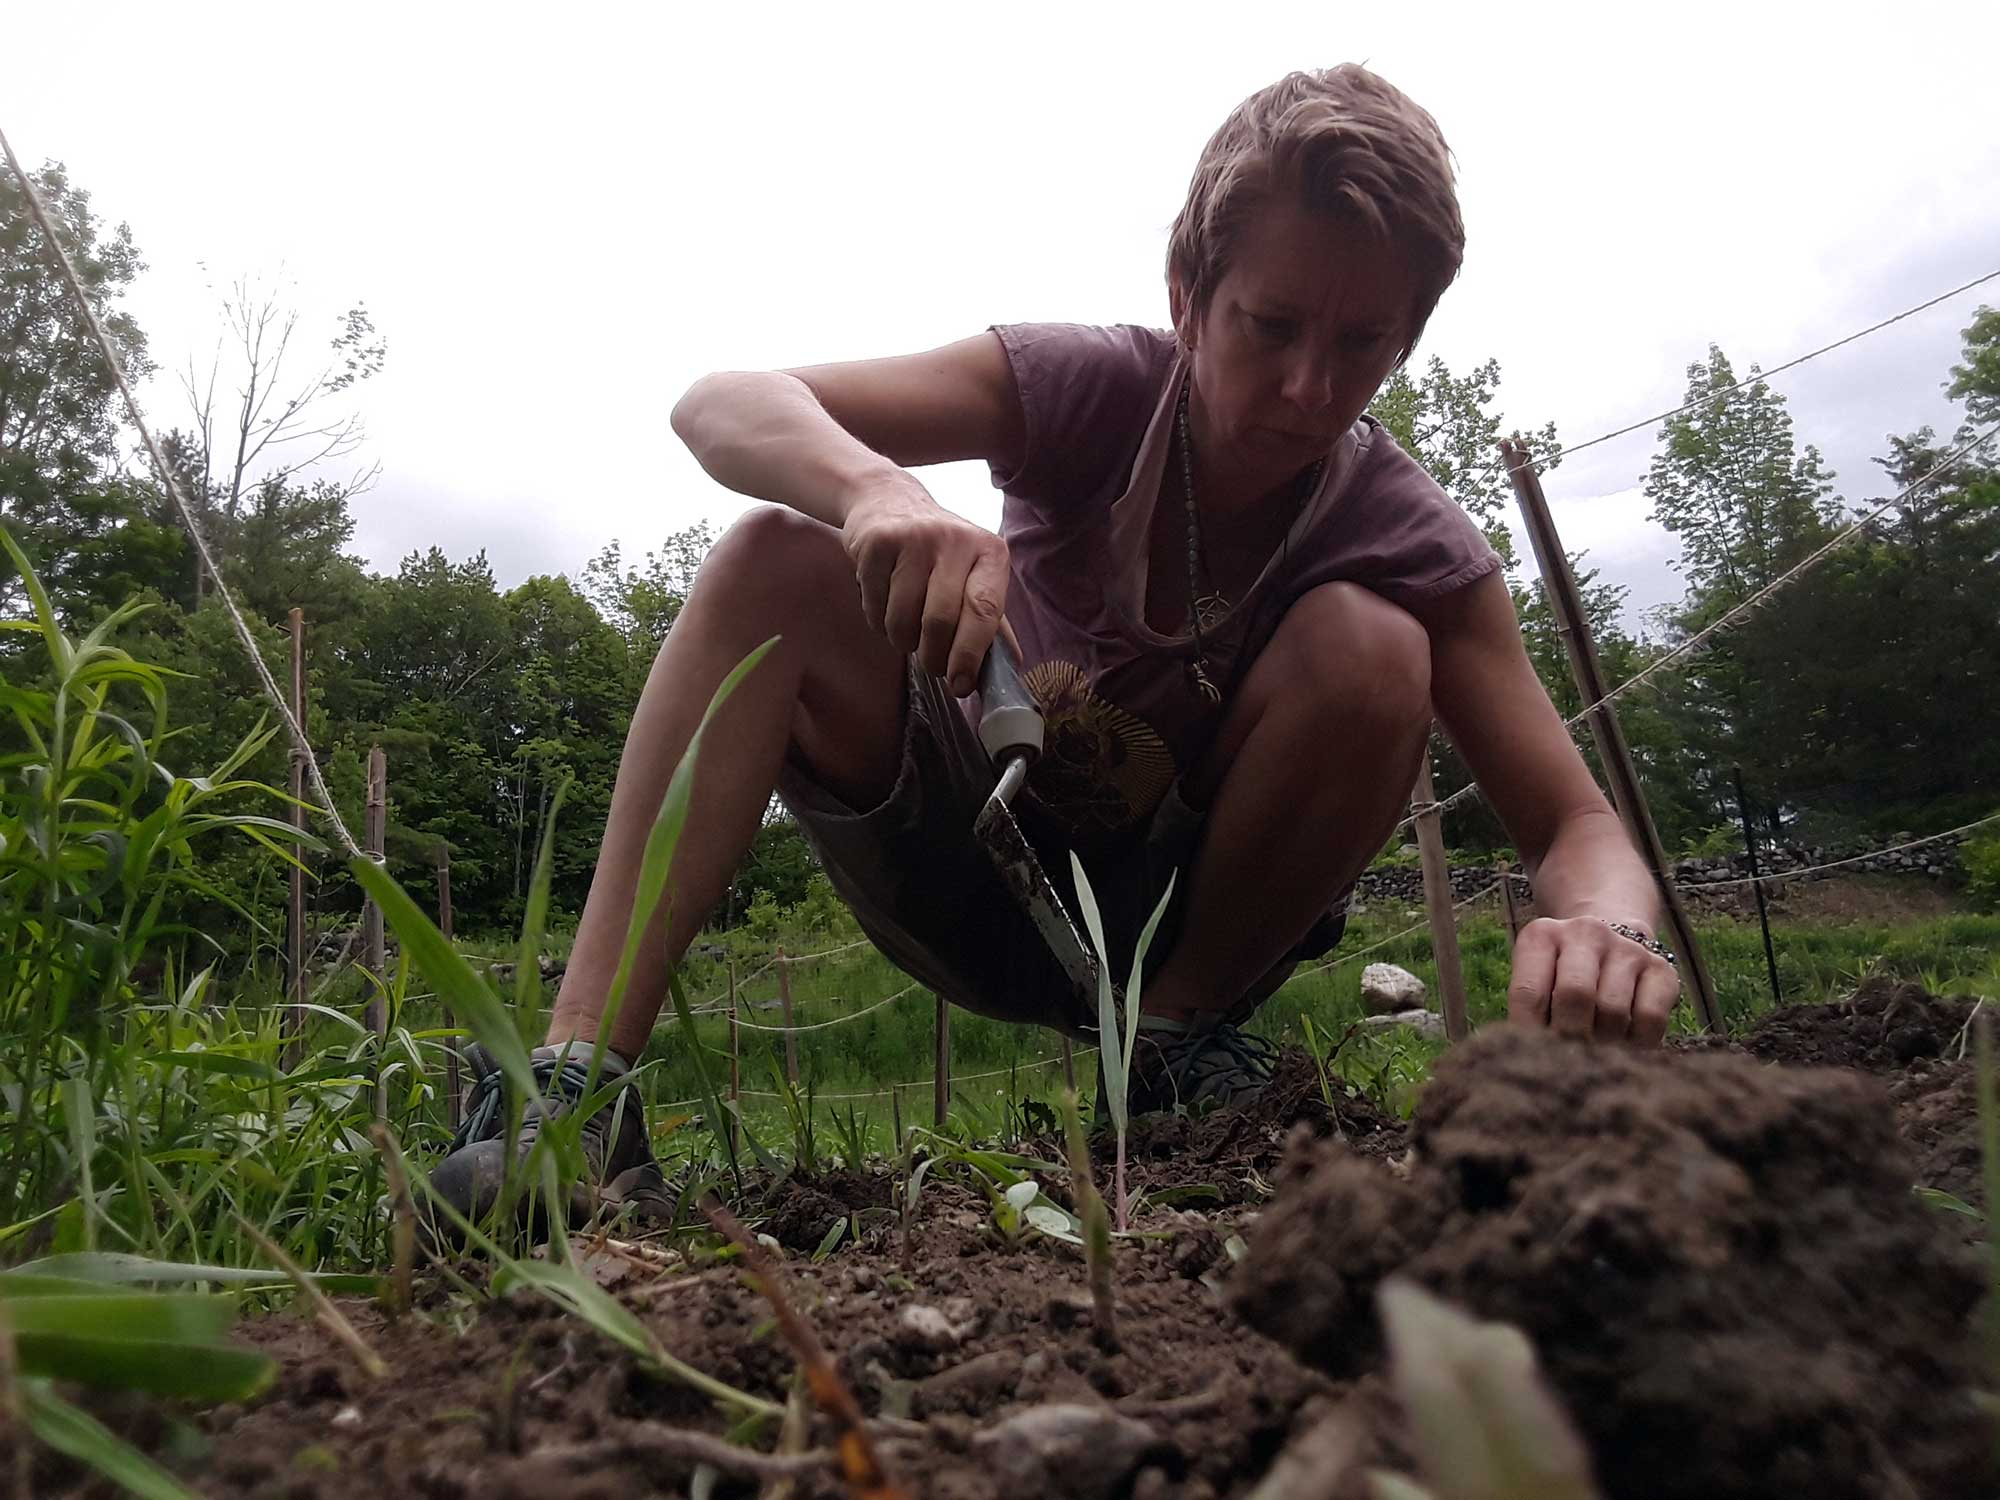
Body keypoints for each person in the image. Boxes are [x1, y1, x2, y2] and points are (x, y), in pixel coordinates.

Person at [430, 63, 1682, 1224]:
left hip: (1174, 931)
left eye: (1361, 345)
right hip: (964, 848)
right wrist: (881, 493)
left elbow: (1577, 832)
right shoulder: (1089, 389)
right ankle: (573, 1093)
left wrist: (1610, 940)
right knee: (775, 553)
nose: (1309, 387)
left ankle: (1172, 1064)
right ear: (1188, 299)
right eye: (1270, 325)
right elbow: (720, 403)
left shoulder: (1407, 536)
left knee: (1372, 644)